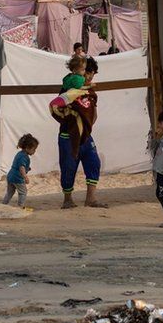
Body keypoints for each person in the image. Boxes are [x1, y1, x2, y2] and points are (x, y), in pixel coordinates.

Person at [52, 57, 105, 209]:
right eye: (89, 74)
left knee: (94, 163)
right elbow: (56, 106)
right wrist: (70, 121)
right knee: (68, 166)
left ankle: (91, 198)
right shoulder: (69, 90)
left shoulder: (90, 92)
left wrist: (87, 125)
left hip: (86, 135)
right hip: (68, 136)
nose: (90, 78)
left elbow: (93, 111)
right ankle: (67, 199)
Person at [2, 134, 38, 210]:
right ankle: (20, 207)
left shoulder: (19, 154)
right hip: (17, 178)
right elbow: (21, 167)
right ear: (28, 148)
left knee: (10, 192)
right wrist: (25, 177)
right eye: (34, 149)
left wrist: (28, 168)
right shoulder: (24, 156)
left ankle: (3, 205)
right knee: (23, 192)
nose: (34, 151)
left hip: (10, 176)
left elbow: (20, 165)